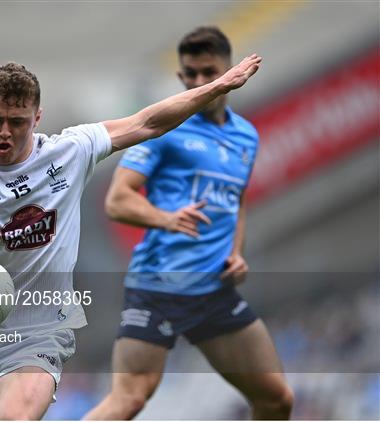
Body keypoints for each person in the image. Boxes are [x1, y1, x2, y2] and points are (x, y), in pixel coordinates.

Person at [0, 50, 261, 420]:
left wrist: (215, 88)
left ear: (37, 118)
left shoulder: (70, 151)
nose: (4, 132)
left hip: (39, 332)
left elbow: (148, 122)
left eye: (17, 122)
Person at [84, 27, 293, 420]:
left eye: (208, 71)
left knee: (276, 399)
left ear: (229, 71)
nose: (199, 81)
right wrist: (166, 218)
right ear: (181, 78)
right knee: (129, 399)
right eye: (190, 74)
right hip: (158, 287)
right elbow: (117, 199)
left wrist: (235, 252)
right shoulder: (166, 129)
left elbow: (237, 201)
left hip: (214, 292)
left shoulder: (245, 136)